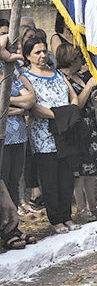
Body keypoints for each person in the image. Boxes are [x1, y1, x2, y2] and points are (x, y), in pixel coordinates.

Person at [23, 37, 81, 234]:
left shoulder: (56, 73)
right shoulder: (26, 77)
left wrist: (71, 111)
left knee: (66, 177)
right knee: (50, 179)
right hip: (44, 135)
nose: (42, 55)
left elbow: (72, 95)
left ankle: (67, 215)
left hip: (65, 133)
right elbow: (34, 106)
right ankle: (56, 218)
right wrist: (59, 116)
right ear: (27, 56)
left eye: (44, 51)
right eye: (37, 52)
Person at [56, 44, 97, 222]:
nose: (83, 60)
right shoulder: (61, 78)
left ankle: (93, 206)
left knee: (91, 169)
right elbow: (74, 106)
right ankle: (80, 209)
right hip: (75, 128)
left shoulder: (78, 76)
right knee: (79, 171)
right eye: (80, 57)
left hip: (89, 126)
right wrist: (88, 87)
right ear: (72, 58)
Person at [0, 60, 35, 212]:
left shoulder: (11, 77)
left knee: (14, 180)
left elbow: (30, 100)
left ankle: (14, 224)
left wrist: (8, 101)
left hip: (19, 136)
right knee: (4, 181)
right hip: (3, 138)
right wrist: (18, 109)